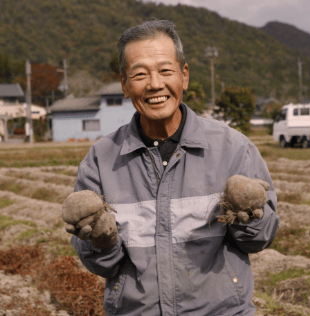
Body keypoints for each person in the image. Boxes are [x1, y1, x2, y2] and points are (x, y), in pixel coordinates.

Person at [67, 20, 279, 316]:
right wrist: (102, 241)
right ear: (125, 86)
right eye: (140, 74)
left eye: (166, 71)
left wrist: (247, 217)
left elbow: (260, 240)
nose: (155, 84)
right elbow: (101, 265)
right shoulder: (101, 160)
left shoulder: (233, 148)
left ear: (184, 76)